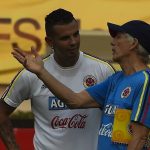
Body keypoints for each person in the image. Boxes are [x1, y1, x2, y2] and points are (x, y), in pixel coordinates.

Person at [12, 20, 150, 150]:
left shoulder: (144, 81)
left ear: (133, 44)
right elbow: (74, 100)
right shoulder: (116, 79)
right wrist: (41, 72)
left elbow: (139, 137)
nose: (112, 42)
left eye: (118, 37)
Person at [0, 8, 115, 150]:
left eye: (76, 34)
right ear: (50, 41)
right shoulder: (31, 73)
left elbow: (119, 116)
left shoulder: (103, 70)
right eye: (65, 38)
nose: (73, 42)